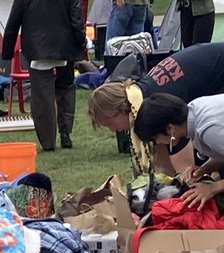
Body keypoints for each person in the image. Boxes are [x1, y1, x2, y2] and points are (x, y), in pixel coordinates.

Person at [88, 42, 224, 175]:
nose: (113, 130)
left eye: (108, 123)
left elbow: (182, 164)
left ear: (120, 109)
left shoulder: (156, 107)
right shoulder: (141, 96)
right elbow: (161, 159)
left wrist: (196, 183)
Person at [0, 0, 84, 151]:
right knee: (65, 91)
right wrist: (80, 45)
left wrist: (7, 51)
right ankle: (66, 133)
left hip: (37, 52)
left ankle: (48, 142)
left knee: (42, 97)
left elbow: (12, 25)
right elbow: (77, 23)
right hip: (65, 50)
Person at [132, 93, 224, 208]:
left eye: (156, 139)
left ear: (170, 128)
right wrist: (203, 169)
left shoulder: (208, 130)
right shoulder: (195, 111)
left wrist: (213, 188)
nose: (159, 143)